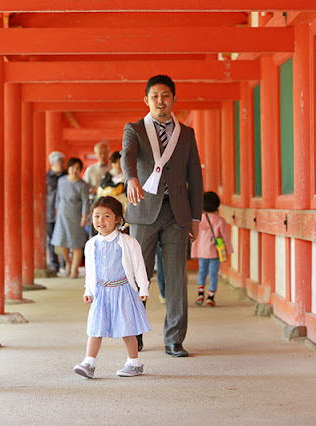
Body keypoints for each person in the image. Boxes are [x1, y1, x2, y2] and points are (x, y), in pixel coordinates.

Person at [121, 74, 203, 357]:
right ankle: (136, 334)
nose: (160, 101)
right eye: (154, 96)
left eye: (165, 95)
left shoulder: (187, 134)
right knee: (136, 277)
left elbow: (195, 176)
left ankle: (174, 340)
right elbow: (127, 155)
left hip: (177, 215)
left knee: (177, 278)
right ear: (146, 100)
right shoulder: (134, 129)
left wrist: (196, 217)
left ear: (174, 99)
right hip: (143, 212)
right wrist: (130, 179)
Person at [73, 196, 151, 378]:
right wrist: (89, 291)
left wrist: (143, 288)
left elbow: (140, 267)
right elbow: (90, 271)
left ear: (117, 218)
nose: (101, 221)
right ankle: (89, 363)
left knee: (127, 328)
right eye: (97, 216)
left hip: (123, 290)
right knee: (95, 328)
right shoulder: (91, 244)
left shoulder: (128, 242)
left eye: (107, 216)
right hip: (101, 292)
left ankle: (134, 363)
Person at [190, 191, 232, 307]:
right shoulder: (220, 220)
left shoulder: (199, 220)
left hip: (202, 252)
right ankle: (210, 297)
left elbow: (194, 235)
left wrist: (194, 250)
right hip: (214, 253)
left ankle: (200, 294)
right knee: (213, 274)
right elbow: (226, 237)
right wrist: (228, 251)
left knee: (202, 272)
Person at [51, 157, 90, 279]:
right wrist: (57, 210)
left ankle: (74, 269)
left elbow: (85, 202)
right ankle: (68, 262)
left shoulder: (82, 185)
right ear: (68, 168)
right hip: (62, 215)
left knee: (77, 244)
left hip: (76, 216)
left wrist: (84, 217)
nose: (75, 170)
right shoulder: (61, 181)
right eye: (73, 168)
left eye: (78, 168)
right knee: (61, 242)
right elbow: (58, 197)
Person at [46, 151, 67, 272]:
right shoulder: (46, 178)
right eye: (61, 161)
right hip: (50, 213)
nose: (63, 164)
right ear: (53, 163)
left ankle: (65, 262)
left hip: (64, 212)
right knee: (50, 239)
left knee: (64, 237)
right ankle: (54, 264)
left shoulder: (66, 176)